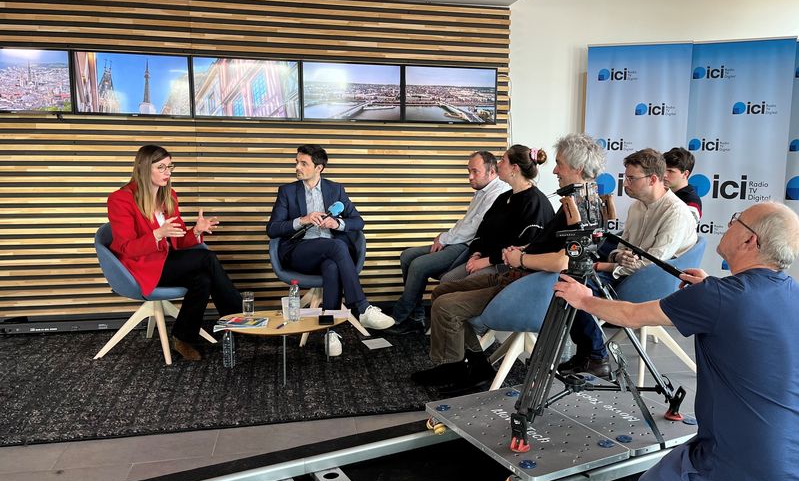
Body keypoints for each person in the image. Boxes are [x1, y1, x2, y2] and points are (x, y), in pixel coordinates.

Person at [553, 201, 799, 481]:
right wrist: (709, 289)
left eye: (736, 221)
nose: (728, 225)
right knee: (679, 461)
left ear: (750, 241)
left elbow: (632, 315)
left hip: (756, 466)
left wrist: (585, 300)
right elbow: (745, 307)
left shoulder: (718, 298)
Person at [412, 133, 603, 396]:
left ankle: (461, 368)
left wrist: (520, 258)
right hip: (519, 276)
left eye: (559, 164)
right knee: (443, 291)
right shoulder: (573, 201)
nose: (554, 170)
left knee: (447, 305)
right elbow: (550, 245)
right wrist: (522, 251)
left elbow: (563, 260)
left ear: (577, 168)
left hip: (528, 286)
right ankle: (467, 365)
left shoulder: (579, 206)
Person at [559, 148, 697, 377]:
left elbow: (654, 264)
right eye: (625, 177)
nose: (626, 184)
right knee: (569, 281)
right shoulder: (636, 207)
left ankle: (595, 356)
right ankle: (588, 353)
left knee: (576, 285)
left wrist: (607, 265)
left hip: (650, 283)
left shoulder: (677, 214)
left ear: (653, 179)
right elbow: (622, 249)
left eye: (632, 178)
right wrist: (616, 257)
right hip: (628, 274)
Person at [107, 144, 242, 361]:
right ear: (144, 168)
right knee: (207, 258)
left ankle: (183, 338)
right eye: (161, 167)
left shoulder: (168, 195)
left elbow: (178, 241)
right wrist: (157, 235)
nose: (167, 172)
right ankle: (239, 319)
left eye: (170, 167)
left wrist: (195, 231)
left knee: (203, 278)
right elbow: (126, 248)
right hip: (141, 267)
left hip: (167, 261)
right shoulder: (121, 199)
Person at [266, 145, 394, 354]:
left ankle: (330, 331)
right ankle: (362, 307)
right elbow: (272, 229)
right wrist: (303, 220)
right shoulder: (287, 191)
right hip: (299, 252)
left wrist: (337, 224)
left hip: (332, 253)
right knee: (337, 246)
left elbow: (358, 221)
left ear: (319, 168)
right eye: (297, 162)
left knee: (332, 266)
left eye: (303, 163)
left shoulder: (336, 189)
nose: (297, 167)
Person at [386, 151, 508, 335]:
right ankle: (416, 317)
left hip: (467, 246)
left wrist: (445, 239)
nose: (470, 177)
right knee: (407, 256)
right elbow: (465, 222)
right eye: (468, 171)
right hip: (458, 240)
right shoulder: (481, 192)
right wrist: (445, 236)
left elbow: (473, 228)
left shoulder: (497, 193)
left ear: (491, 172)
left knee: (418, 265)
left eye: (475, 171)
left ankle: (400, 317)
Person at [438, 144, 552, 284]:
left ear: (514, 168)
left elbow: (523, 247)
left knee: (455, 287)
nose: (498, 164)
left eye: (503, 160)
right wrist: (476, 254)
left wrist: (487, 261)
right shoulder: (503, 198)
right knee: (446, 280)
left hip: (508, 267)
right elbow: (483, 229)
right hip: (483, 259)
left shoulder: (535, 203)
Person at [664, 146, 702, 221]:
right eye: (663, 170)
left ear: (685, 174)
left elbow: (683, 226)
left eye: (670, 171)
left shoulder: (692, 201)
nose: (664, 175)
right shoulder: (662, 194)